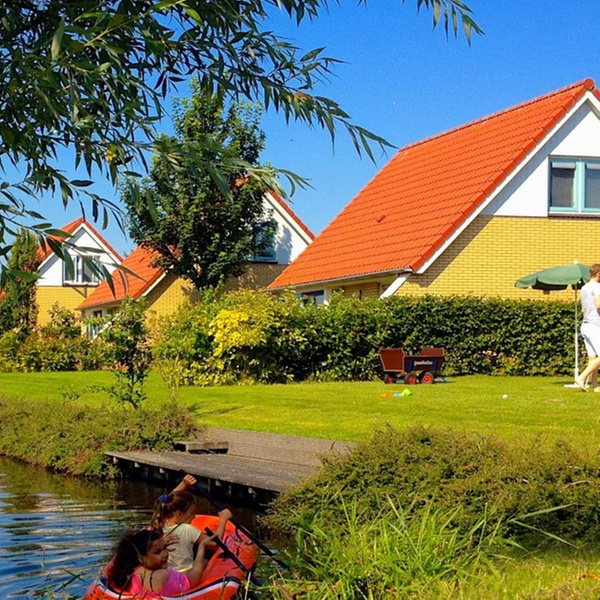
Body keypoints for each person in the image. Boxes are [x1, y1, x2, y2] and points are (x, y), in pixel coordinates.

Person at [152, 474, 233, 573]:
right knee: (207, 560)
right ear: (179, 513)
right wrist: (223, 519)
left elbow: (169, 502)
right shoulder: (187, 529)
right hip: (186, 573)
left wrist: (184, 484)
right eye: (191, 513)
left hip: (168, 572)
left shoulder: (161, 521)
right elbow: (215, 544)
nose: (194, 517)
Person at [104, 527, 215, 596]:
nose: (165, 554)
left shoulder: (128, 572)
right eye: (158, 552)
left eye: (165, 548)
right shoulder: (162, 575)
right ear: (141, 558)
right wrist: (201, 548)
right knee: (205, 562)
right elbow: (193, 581)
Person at [576, 263, 600, 392]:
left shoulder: (584, 288)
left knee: (593, 357)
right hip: (595, 325)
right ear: (598, 274)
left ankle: (595, 386)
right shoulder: (597, 287)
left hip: (585, 325)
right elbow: (598, 304)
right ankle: (581, 377)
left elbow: (583, 308)